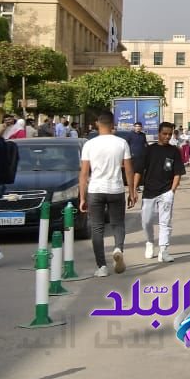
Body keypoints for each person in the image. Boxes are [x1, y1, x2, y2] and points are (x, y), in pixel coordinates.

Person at [78, 112, 134, 278]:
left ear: (97, 124)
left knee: (97, 228)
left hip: (95, 190)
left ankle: (102, 266)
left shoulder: (89, 144)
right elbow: (129, 169)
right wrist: (131, 191)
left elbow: (84, 174)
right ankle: (118, 249)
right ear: (113, 125)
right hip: (115, 189)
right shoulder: (122, 143)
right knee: (118, 224)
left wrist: (82, 197)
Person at [131, 121, 185, 263]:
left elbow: (178, 173)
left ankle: (164, 250)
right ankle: (149, 242)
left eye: (169, 134)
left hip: (166, 191)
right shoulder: (149, 150)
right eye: (164, 134)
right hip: (149, 192)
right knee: (146, 220)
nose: (167, 136)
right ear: (159, 134)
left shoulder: (174, 151)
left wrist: (172, 191)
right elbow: (138, 171)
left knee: (165, 222)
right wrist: (134, 189)